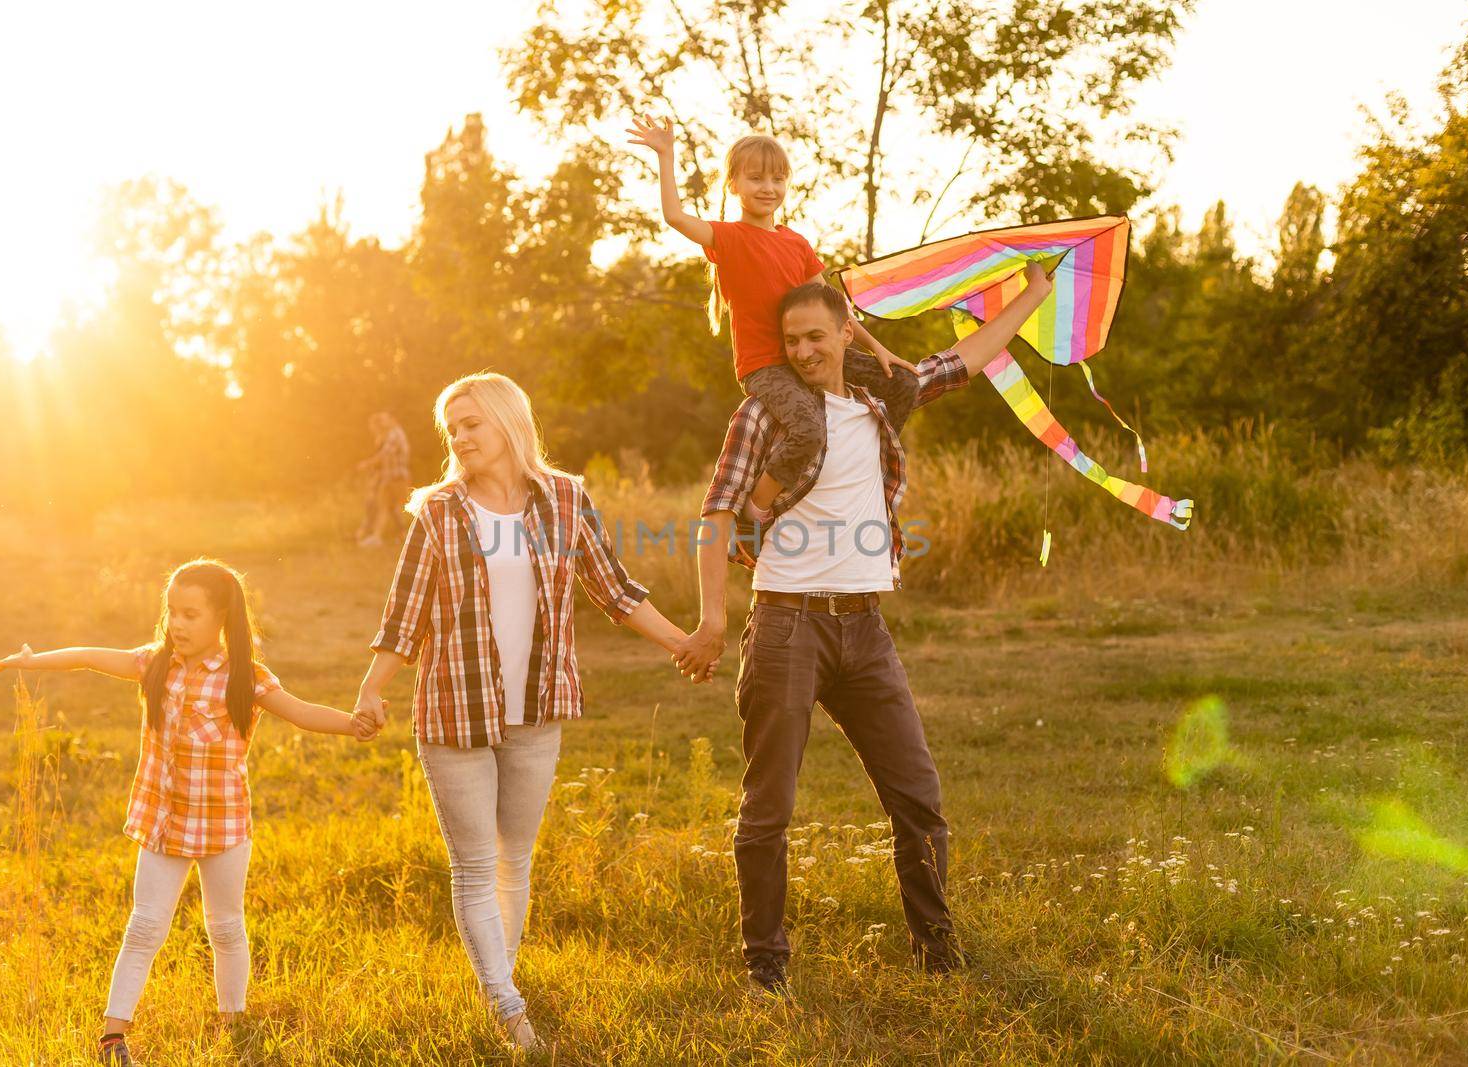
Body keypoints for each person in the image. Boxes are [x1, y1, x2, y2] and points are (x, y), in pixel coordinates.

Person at [673, 268, 1052, 997]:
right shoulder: (765, 412)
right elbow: (715, 510)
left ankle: (937, 952)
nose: (805, 350)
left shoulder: (880, 398)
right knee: (769, 804)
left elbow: (964, 360)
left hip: (866, 627)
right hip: (787, 625)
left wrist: (1033, 295)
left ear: (849, 331)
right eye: (792, 340)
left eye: (818, 335)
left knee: (917, 794)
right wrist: (712, 619)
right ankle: (765, 965)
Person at [349, 372, 709, 1053]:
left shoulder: (566, 499)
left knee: (516, 856)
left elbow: (616, 590)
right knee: (475, 863)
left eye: (470, 423)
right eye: (451, 427)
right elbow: (404, 612)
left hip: (538, 708)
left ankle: (496, 981)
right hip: (455, 708)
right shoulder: (439, 511)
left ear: (508, 422)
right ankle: (509, 1007)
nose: (458, 437)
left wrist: (683, 641)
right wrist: (372, 688)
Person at [0, 559, 370, 1066]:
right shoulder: (154, 663)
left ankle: (233, 1022)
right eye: (172, 612)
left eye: (191, 614)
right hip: (163, 821)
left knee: (226, 927)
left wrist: (354, 724)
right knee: (144, 925)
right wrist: (32, 662)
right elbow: (90, 657)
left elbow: (302, 712)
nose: (178, 624)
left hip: (224, 824)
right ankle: (112, 1038)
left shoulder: (245, 677)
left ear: (222, 618)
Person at [626, 116, 921, 532]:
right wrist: (666, 156)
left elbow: (834, 307)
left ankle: (864, 463)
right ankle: (757, 507)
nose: (768, 188)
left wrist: (877, 348)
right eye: (756, 178)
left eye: (778, 179)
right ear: (733, 185)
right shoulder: (727, 238)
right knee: (807, 430)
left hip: (812, 357)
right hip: (768, 366)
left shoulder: (796, 243)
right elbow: (674, 216)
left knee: (905, 382)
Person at [356, 411, 412, 548]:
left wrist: (367, 464)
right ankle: (404, 535)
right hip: (393, 476)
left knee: (386, 506)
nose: (382, 422)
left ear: (393, 419)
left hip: (396, 476)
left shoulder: (395, 434)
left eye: (385, 419)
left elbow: (384, 454)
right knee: (392, 507)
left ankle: (377, 537)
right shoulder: (394, 433)